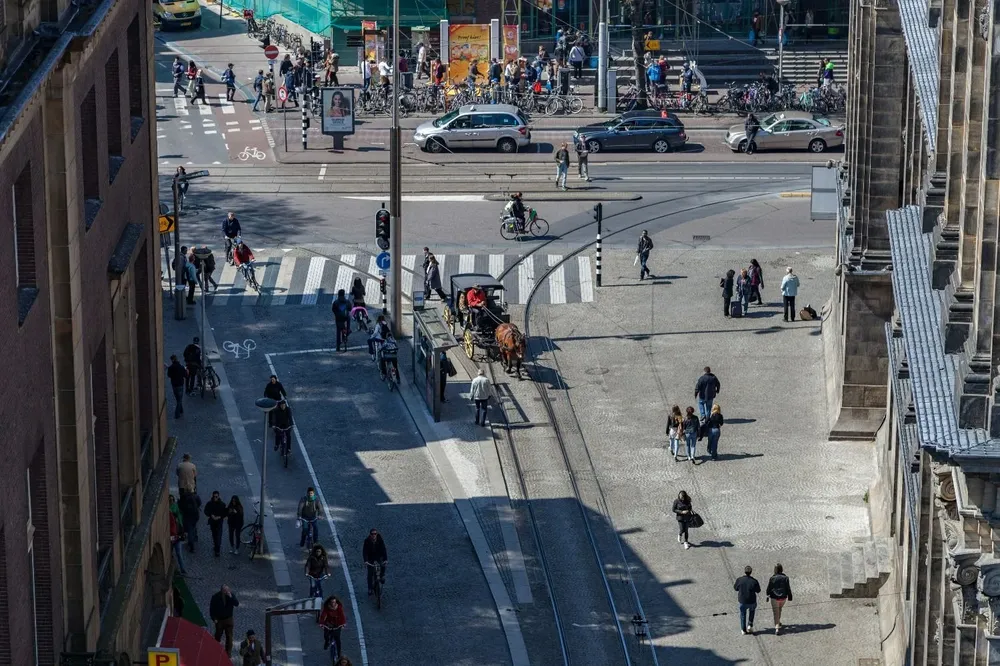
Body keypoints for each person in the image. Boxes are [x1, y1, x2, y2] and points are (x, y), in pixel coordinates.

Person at [210, 585, 240, 654]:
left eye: (227, 590)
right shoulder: (215, 597)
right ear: (222, 590)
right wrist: (214, 618)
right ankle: (216, 650)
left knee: (229, 637)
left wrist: (231, 597)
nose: (226, 592)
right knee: (218, 635)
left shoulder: (231, 595)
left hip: (229, 619)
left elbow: (236, 604)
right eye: (225, 590)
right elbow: (212, 609)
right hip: (219, 620)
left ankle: (228, 653)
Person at [766, 563, 793, 634]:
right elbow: (788, 588)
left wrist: (767, 594)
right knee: (779, 609)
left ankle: (777, 628)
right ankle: (778, 621)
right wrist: (790, 596)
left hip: (774, 598)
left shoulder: (772, 578)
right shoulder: (786, 578)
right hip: (783, 598)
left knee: (776, 612)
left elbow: (769, 588)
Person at [734, 566, 761, 635]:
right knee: (752, 611)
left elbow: (735, 588)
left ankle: (743, 629)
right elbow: (758, 590)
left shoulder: (739, 580)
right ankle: (750, 624)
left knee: (743, 614)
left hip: (742, 600)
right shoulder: (754, 581)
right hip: (752, 600)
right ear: (751, 572)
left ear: (744, 572)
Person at [362, 528, 388, 595]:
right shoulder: (367, 541)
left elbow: (384, 549)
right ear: (370, 535)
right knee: (370, 573)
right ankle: (370, 588)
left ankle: (382, 576)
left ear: (376, 534)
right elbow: (365, 551)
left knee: (383, 565)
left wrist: (385, 559)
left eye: (375, 534)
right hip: (370, 558)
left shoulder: (380, 540)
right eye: (372, 534)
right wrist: (365, 561)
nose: (374, 535)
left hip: (378, 556)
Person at [204, 491, 228, 557]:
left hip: (219, 522)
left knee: (219, 536)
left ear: (218, 496)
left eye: (216, 497)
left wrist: (219, 517)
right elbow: (205, 511)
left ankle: (217, 550)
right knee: (214, 535)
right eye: (214, 496)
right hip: (212, 522)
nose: (215, 498)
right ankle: (216, 546)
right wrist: (211, 515)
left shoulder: (222, 504)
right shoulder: (209, 503)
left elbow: (225, 513)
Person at [168, 500, 187, 574]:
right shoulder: (172, 522)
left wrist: (180, 536)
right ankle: (173, 568)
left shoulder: (178, 522)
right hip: (172, 539)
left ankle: (182, 569)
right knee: (171, 554)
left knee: (179, 554)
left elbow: (181, 530)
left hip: (176, 539)